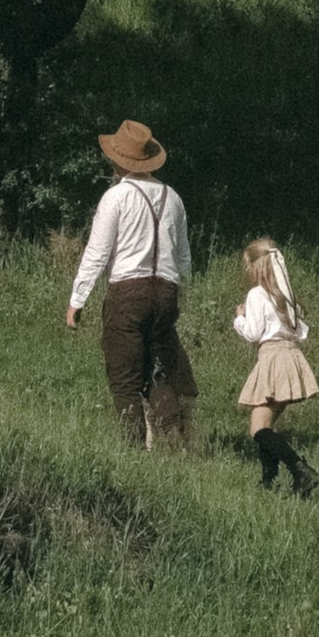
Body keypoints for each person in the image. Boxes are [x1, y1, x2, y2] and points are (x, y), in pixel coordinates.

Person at [65, 118, 194, 448]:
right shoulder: (173, 198)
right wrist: (179, 295)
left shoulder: (116, 197)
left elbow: (98, 251)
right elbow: (183, 258)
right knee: (158, 367)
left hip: (128, 294)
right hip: (165, 292)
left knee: (124, 377)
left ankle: (133, 450)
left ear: (117, 160)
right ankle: (173, 429)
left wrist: (77, 299)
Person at [231, 237, 318, 494]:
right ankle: (268, 480)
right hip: (290, 356)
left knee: (258, 428)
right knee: (265, 425)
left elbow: (253, 333)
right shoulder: (284, 295)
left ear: (257, 267)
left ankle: (301, 471)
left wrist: (240, 318)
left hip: (272, 358)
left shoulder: (257, 295)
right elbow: (300, 332)